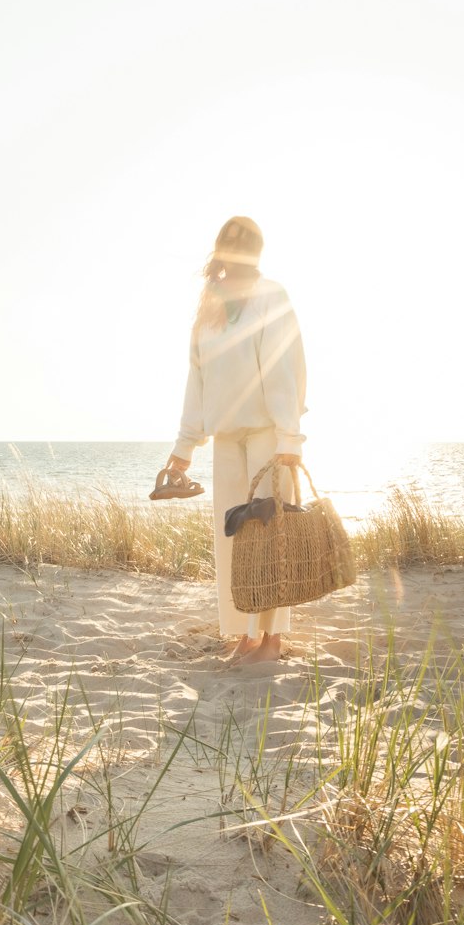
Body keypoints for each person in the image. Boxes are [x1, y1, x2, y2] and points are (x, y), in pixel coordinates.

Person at [167, 216, 307, 665]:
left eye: (244, 249)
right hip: (226, 437)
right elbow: (197, 378)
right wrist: (183, 448)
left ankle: (272, 638)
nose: (236, 257)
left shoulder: (271, 296)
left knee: (271, 538)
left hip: (268, 432)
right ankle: (242, 635)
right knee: (233, 541)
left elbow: (283, 369)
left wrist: (290, 437)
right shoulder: (209, 305)